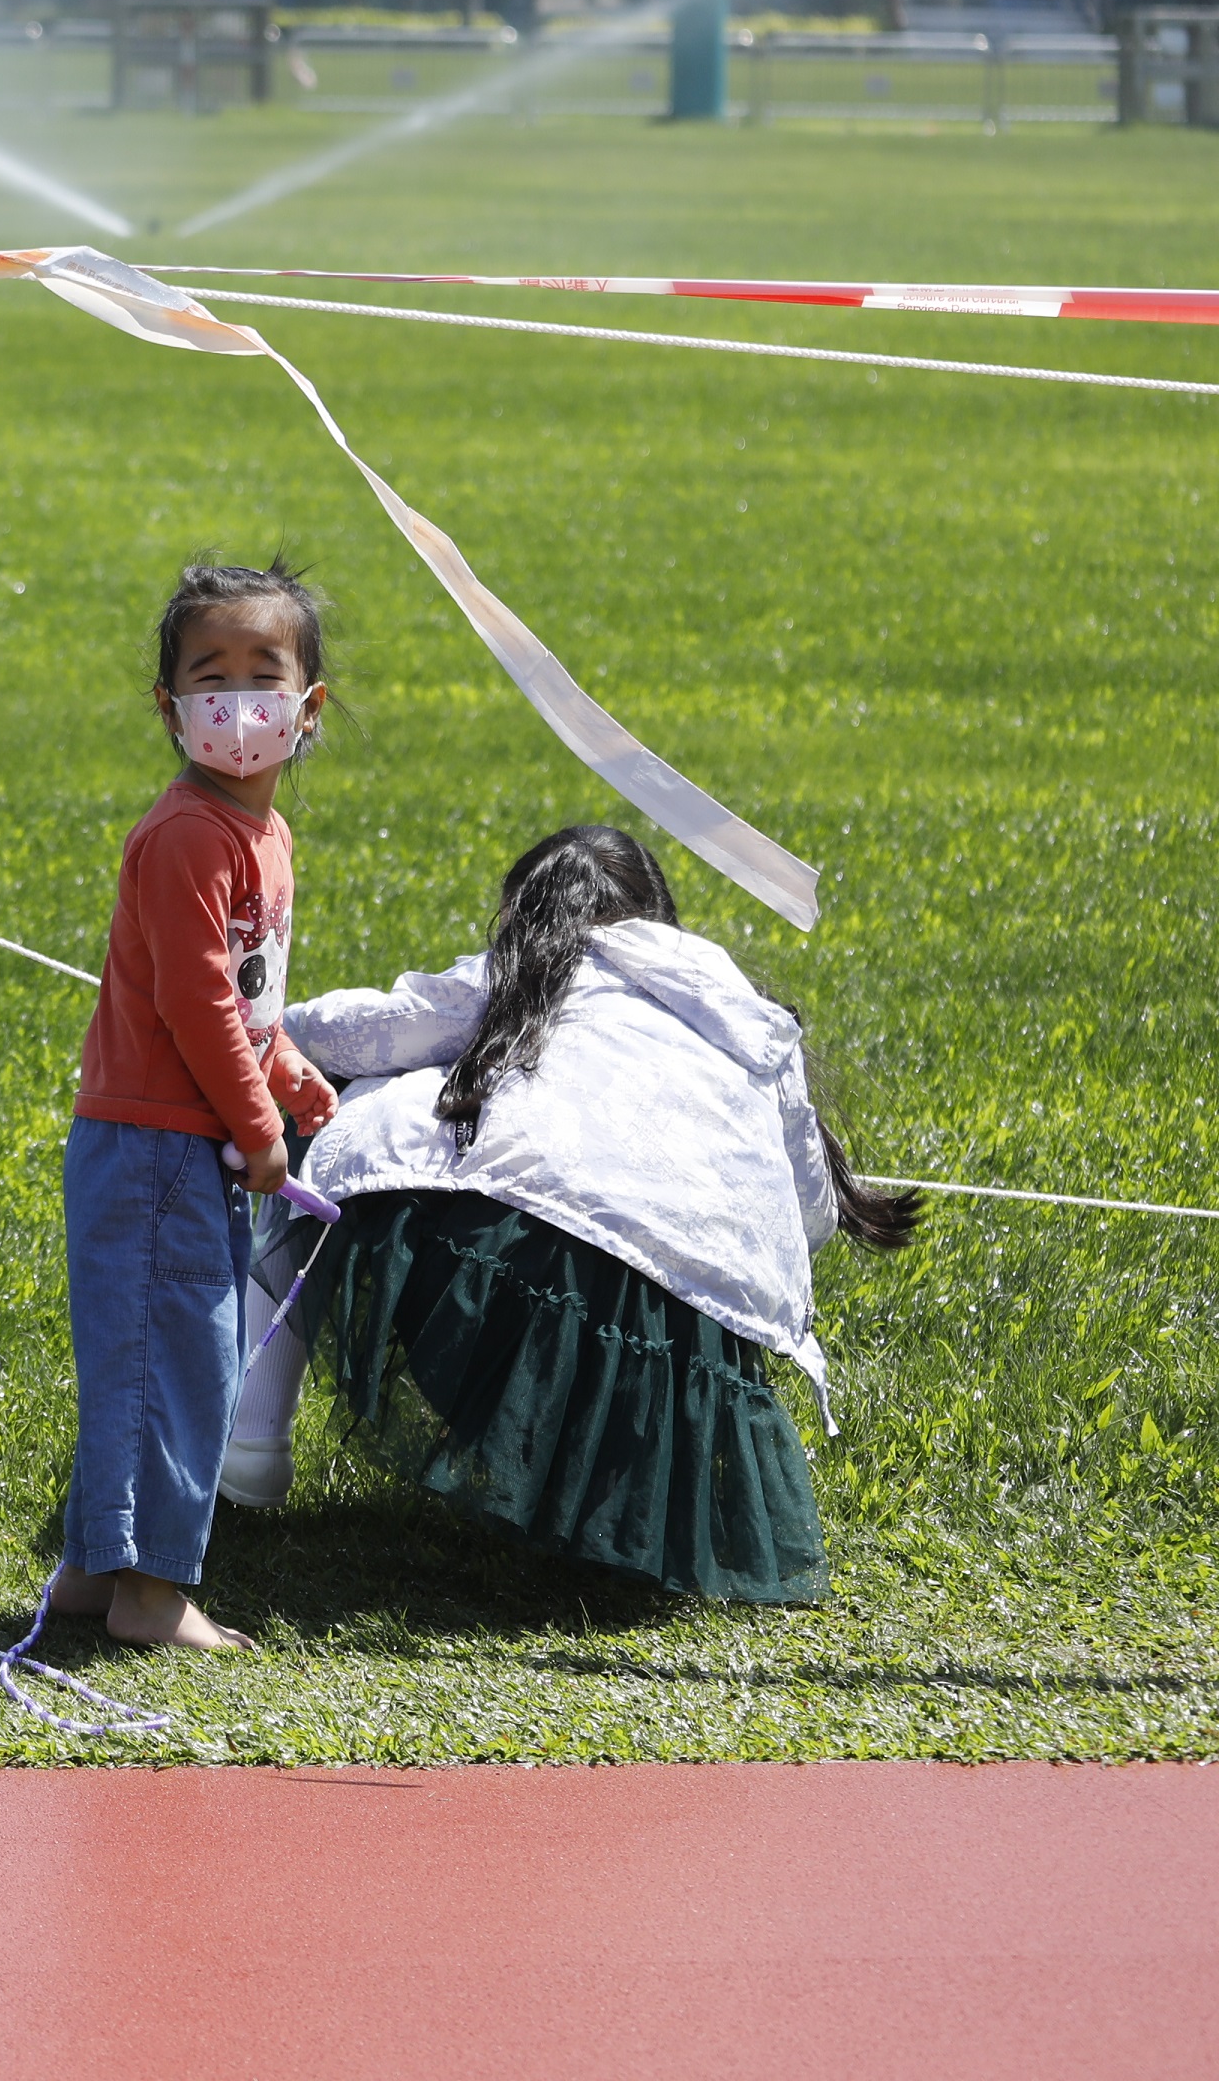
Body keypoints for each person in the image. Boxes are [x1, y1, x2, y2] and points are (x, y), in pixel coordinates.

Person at [229, 823, 917, 1604]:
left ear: (527, 915)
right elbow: (809, 1209)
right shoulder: (742, 1013)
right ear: (660, 915)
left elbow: (366, 1029)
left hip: (516, 1277)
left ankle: (254, 1436)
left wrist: (255, 1028)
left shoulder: (532, 969)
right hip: (691, 1334)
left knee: (334, 1112)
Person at [47, 559, 345, 1652]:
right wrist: (261, 1128)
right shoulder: (188, 838)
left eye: (262, 672)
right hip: (157, 1151)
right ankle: (150, 1593)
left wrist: (288, 1072)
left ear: (307, 706)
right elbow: (192, 1002)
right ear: (170, 707)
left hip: (182, 1148)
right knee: (171, 1364)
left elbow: (246, 1001)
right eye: (206, 674)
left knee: (158, 1354)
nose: (236, 700)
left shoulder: (262, 838)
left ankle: (92, 1568)